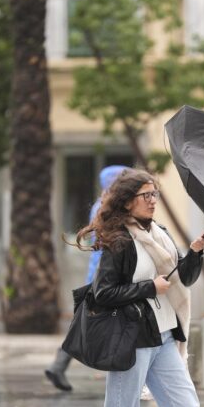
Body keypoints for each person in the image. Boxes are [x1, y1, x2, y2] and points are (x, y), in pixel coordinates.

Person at [74, 168, 204, 407]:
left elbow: (183, 279)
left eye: (154, 194)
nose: (153, 200)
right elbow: (103, 292)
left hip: (165, 334)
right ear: (127, 201)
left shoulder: (160, 234)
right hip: (132, 339)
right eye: (146, 195)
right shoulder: (120, 241)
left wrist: (194, 255)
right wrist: (149, 288)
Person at [45, 165, 128, 392]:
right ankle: (59, 365)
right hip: (105, 276)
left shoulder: (101, 206)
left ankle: (58, 365)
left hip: (97, 274)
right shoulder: (109, 208)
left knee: (84, 324)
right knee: (88, 325)